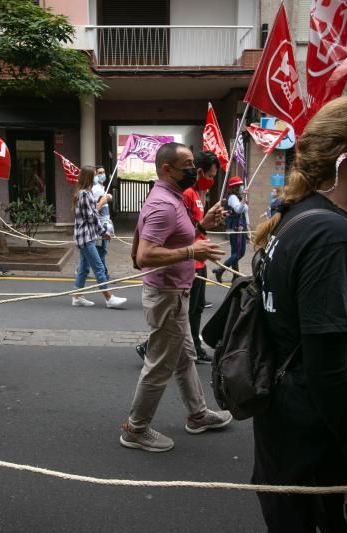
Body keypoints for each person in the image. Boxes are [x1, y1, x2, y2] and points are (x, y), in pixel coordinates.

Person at [250, 96, 347, 530]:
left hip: (288, 432)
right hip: (322, 447)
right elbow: (329, 372)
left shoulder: (302, 217)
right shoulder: (330, 234)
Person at [121, 142, 232, 453]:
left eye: (192, 164)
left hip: (176, 293)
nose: (192, 170)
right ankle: (136, 428)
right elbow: (145, 255)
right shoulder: (164, 205)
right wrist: (192, 250)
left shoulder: (173, 199)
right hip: (166, 295)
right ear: (166, 169)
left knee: (185, 358)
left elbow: (174, 235)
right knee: (159, 365)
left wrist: (201, 225)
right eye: (185, 164)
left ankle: (197, 415)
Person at [181, 151, 219, 363]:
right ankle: (191, 349)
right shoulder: (187, 194)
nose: (212, 180)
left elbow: (200, 227)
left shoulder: (198, 194)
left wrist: (210, 220)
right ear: (199, 172)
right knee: (189, 311)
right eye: (210, 175)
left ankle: (195, 347)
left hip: (200, 259)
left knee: (196, 309)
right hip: (190, 260)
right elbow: (185, 231)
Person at [71, 166, 126, 308]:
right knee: (98, 267)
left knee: (84, 268)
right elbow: (92, 217)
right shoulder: (85, 194)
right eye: (95, 174)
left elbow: (90, 215)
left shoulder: (82, 193)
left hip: (84, 236)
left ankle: (77, 297)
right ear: (89, 177)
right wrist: (103, 232)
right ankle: (109, 298)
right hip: (86, 237)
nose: (97, 177)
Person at [213, 176, 248, 283]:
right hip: (236, 228)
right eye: (241, 185)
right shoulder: (233, 197)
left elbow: (245, 212)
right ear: (236, 187)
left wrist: (249, 225)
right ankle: (221, 270)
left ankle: (235, 276)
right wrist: (244, 198)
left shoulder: (236, 197)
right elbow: (238, 209)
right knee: (239, 253)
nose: (242, 187)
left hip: (238, 227)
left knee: (235, 252)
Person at [91, 166, 113, 278]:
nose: (102, 174)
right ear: (94, 175)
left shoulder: (101, 188)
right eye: (99, 173)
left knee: (100, 250)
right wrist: (106, 198)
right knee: (101, 250)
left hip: (104, 224)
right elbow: (95, 209)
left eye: (103, 172)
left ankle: (102, 273)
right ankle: (103, 274)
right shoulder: (96, 190)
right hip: (100, 226)